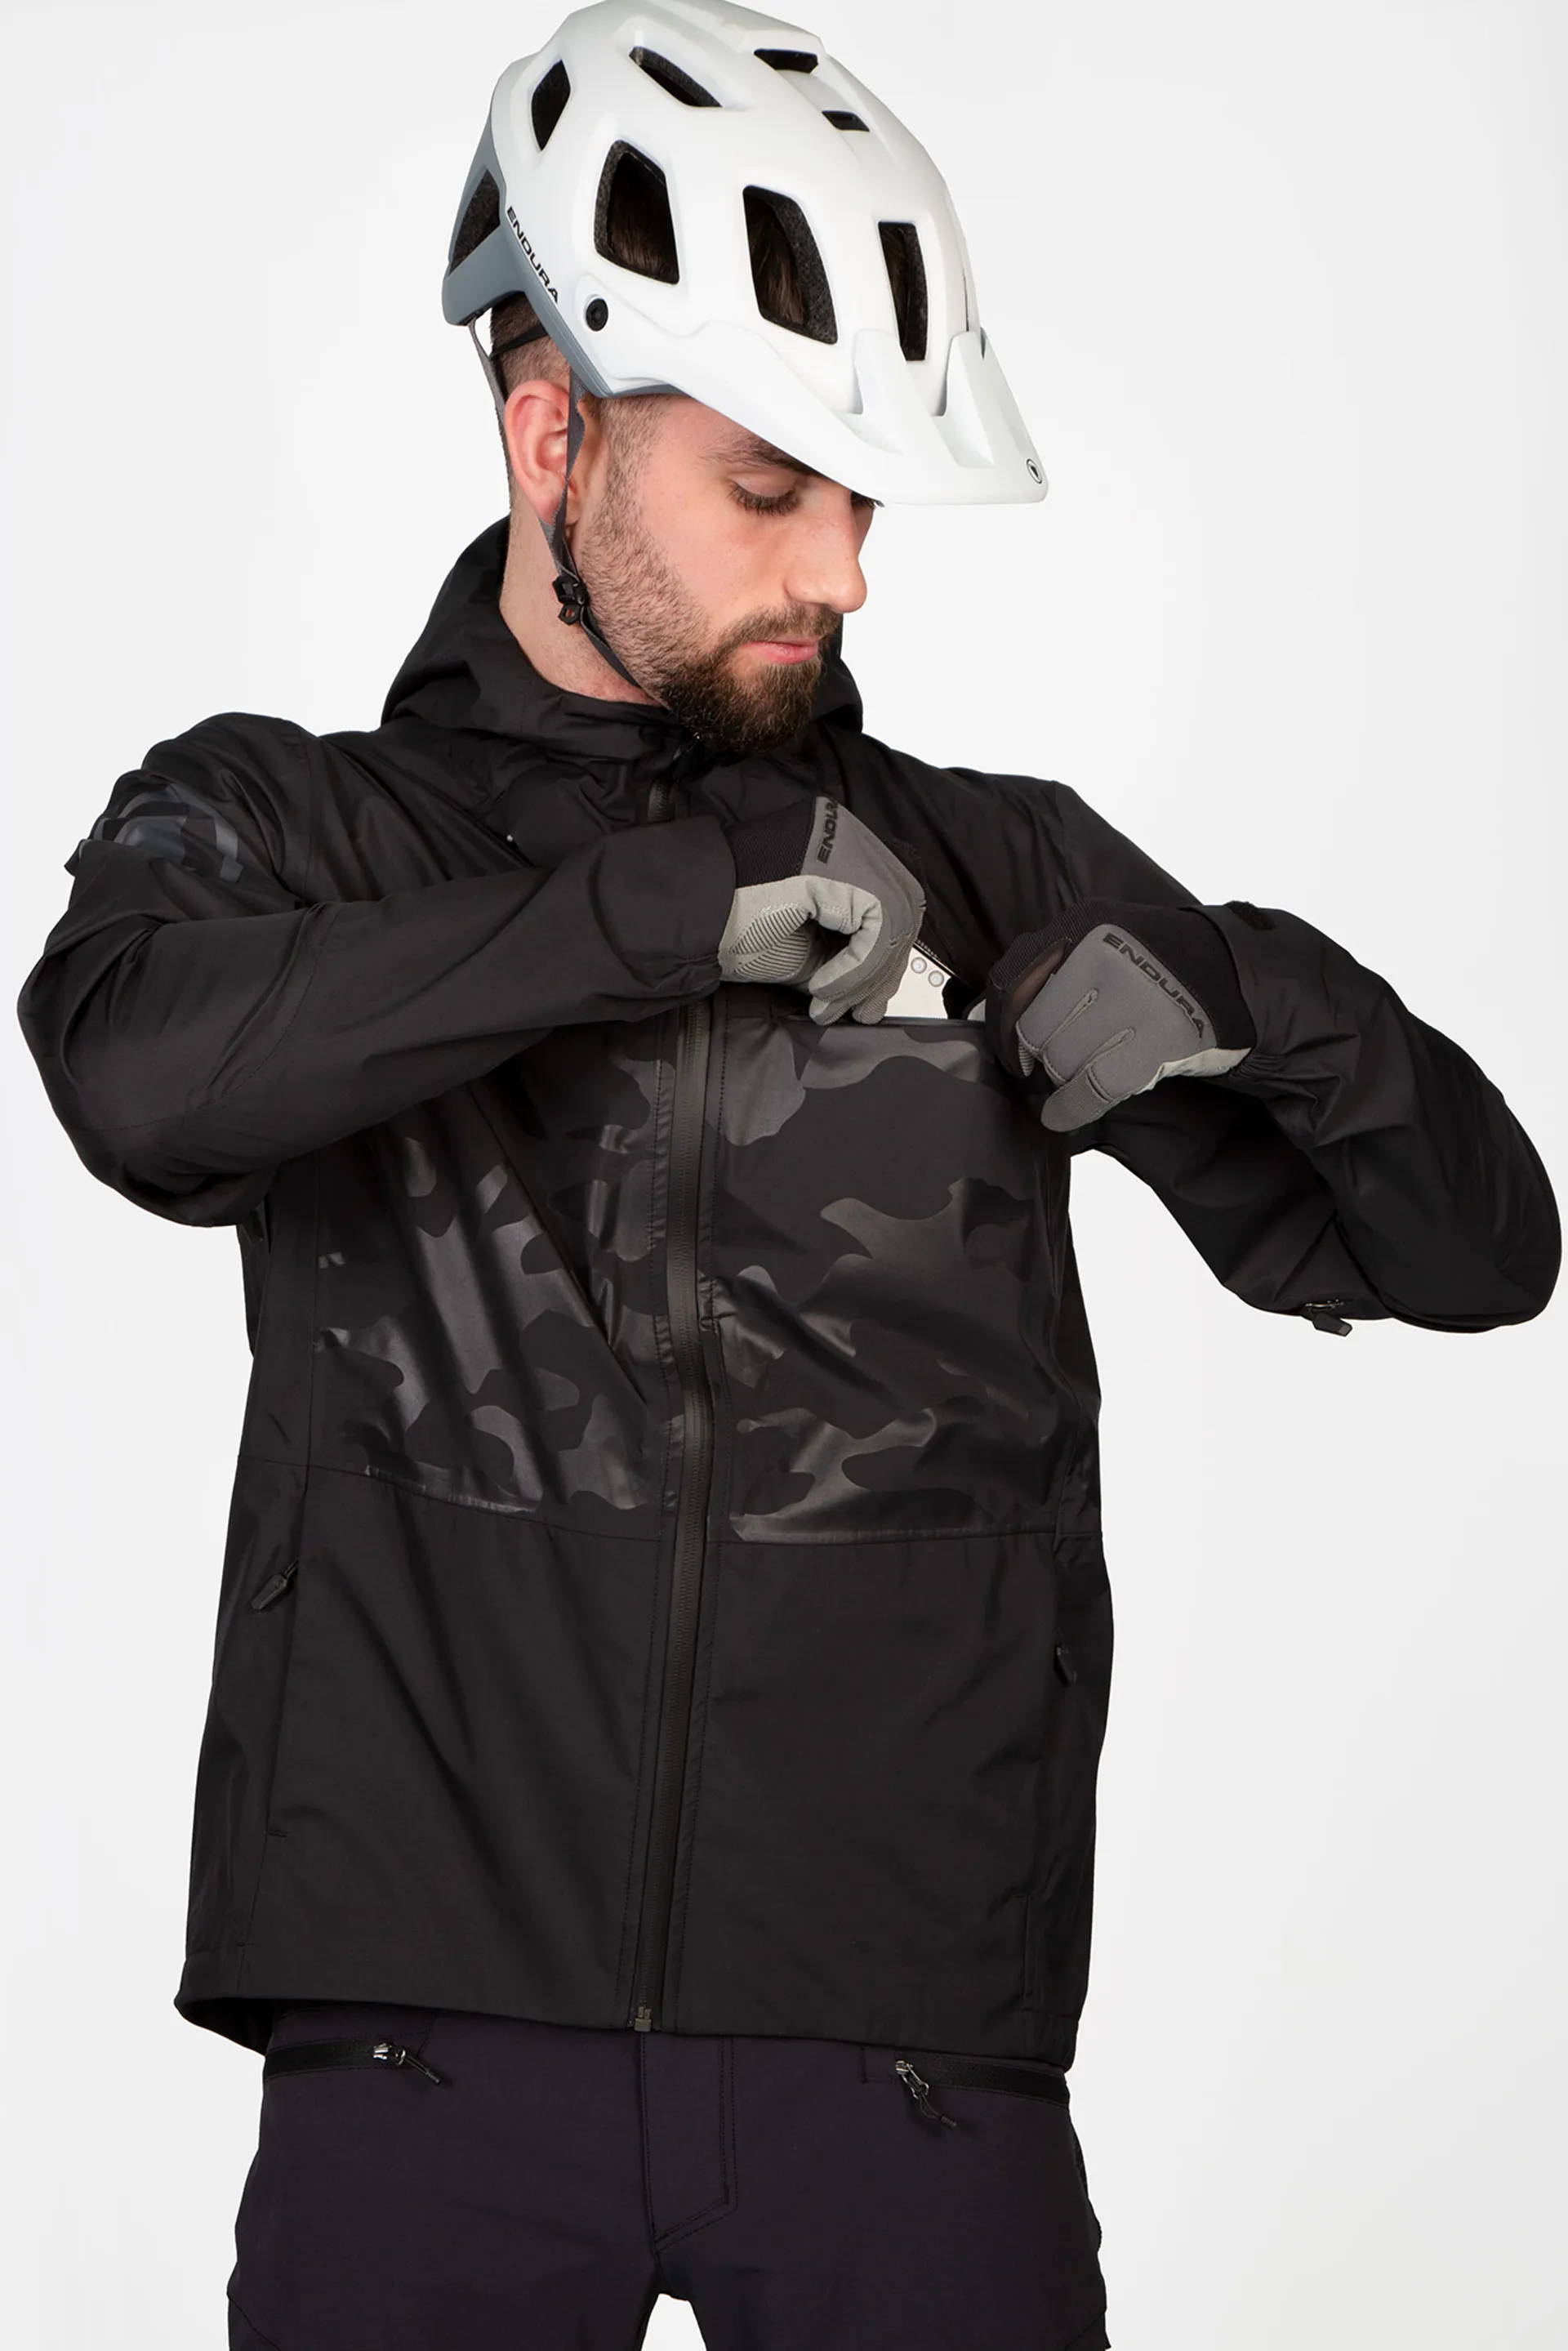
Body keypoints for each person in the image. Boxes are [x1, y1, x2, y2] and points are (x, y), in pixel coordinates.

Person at [15, 3, 1559, 2346]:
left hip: (905, 2069)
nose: (843, 571)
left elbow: (1477, 1251)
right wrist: (642, 916)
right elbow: (132, 1075)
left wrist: (1254, 1001)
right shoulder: (298, 829)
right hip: (425, 2056)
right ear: (552, 432)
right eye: (770, 490)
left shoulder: (983, 866)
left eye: (864, 502)